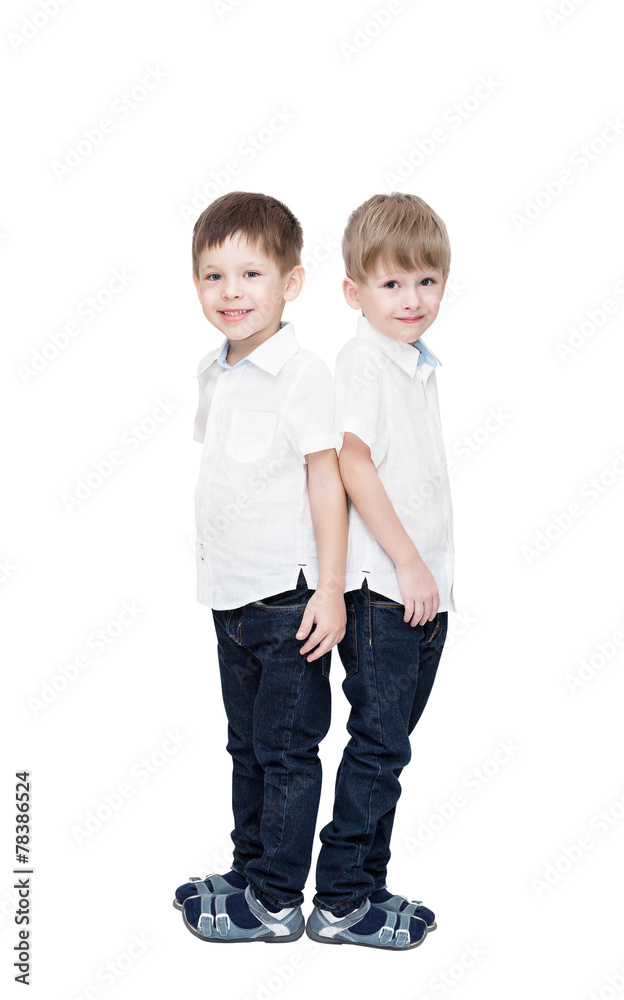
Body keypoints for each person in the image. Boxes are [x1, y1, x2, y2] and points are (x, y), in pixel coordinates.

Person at [176, 191, 347, 943]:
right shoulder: (213, 371)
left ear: (291, 282)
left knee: (286, 751)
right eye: (214, 276)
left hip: (288, 599)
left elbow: (326, 481)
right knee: (245, 746)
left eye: (251, 274)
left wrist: (331, 589)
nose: (231, 292)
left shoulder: (303, 374)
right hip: (231, 594)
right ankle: (251, 871)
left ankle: (277, 901)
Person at [307, 192, 455, 950]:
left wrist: (429, 577)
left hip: (421, 593)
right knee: (379, 746)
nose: (412, 298)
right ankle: (339, 900)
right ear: (353, 292)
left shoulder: (414, 365)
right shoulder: (363, 362)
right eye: (391, 283)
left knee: (389, 746)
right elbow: (353, 464)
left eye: (427, 281)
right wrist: (407, 562)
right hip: (384, 592)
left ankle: (366, 885)